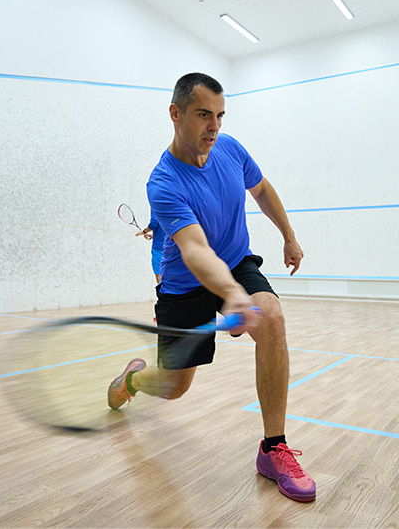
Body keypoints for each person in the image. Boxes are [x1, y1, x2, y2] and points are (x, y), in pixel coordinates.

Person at [107, 72, 315, 502]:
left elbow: (261, 189)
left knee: (272, 318)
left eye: (220, 115)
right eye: (204, 115)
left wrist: (288, 235)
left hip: (237, 260)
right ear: (175, 114)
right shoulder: (162, 182)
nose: (214, 127)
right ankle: (134, 379)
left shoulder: (231, 149)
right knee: (175, 387)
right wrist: (232, 296)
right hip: (185, 285)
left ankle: (273, 448)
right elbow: (196, 251)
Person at [136, 216, 164, 284]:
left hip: (159, 248)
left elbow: (154, 223)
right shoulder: (172, 206)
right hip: (171, 246)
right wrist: (155, 236)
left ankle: (163, 293)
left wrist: (144, 231)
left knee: (159, 275)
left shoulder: (155, 205)